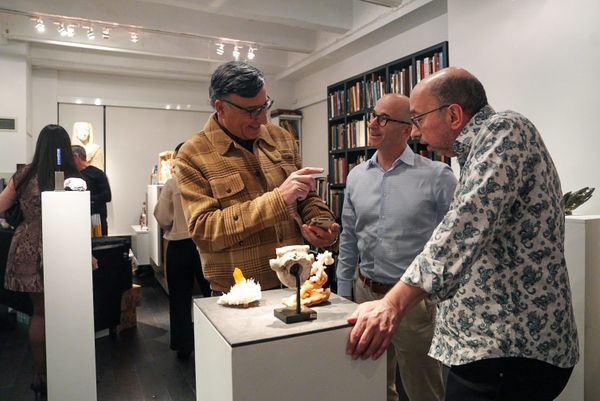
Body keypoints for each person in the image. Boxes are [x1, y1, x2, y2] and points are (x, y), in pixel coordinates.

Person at [346, 67, 579, 401]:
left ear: (453, 114)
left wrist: (392, 305)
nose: (414, 131)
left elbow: (462, 229)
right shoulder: (477, 150)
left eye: (418, 118)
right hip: (493, 350)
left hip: (508, 351)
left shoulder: (505, 131)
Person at [176, 61, 339, 294]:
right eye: (251, 111)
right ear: (220, 108)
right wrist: (277, 200)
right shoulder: (193, 155)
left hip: (297, 285)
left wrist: (320, 223)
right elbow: (204, 232)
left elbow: (306, 196)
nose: (263, 119)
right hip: (239, 295)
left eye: (265, 106)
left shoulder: (281, 137)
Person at [336, 93, 456, 401]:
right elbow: (349, 237)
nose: (373, 124)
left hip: (413, 303)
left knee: (423, 388)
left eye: (384, 118)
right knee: (370, 385)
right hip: (363, 296)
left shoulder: (436, 176)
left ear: (407, 129)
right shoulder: (356, 176)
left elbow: (452, 245)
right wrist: (343, 293)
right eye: (373, 116)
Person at [0, 124, 81, 399]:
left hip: (27, 246)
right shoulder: (71, 175)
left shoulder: (24, 174)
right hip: (62, 246)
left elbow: (1, 206)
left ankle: (39, 373)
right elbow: (78, 218)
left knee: (40, 313)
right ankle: (66, 370)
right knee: (64, 312)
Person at [154, 142, 211, 358]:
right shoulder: (205, 182)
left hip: (178, 245)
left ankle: (183, 345)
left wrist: (174, 226)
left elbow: (162, 216)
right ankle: (213, 340)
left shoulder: (171, 184)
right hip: (204, 244)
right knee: (211, 294)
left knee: (179, 298)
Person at [72, 145, 112, 235]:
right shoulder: (72, 175)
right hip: (79, 222)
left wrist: (87, 197)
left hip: (97, 223)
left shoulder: (98, 174)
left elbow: (107, 196)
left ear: (76, 156)